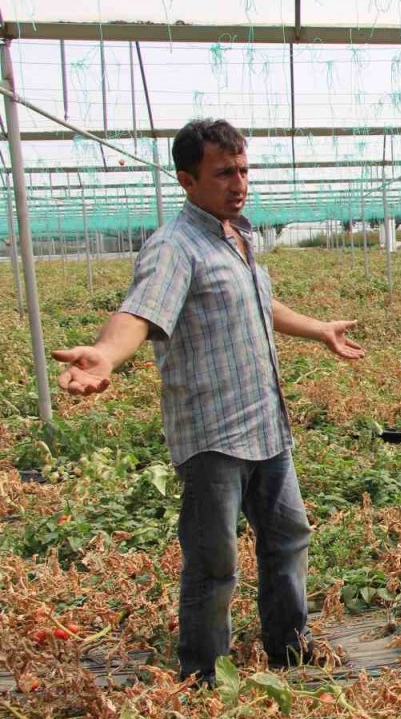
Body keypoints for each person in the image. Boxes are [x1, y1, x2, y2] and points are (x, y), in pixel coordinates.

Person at [53, 118, 366, 685]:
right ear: (187, 179)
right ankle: (202, 674)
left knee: (288, 538)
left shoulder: (237, 237)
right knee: (215, 561)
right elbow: (142, 312)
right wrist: (105, 352)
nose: (239, 182)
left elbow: (259, 303)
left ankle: (289, 649)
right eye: (224, 172)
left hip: (266, 426)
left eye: (243, 169)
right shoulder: (175, 248)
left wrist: (317, 328)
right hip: (212, 435)